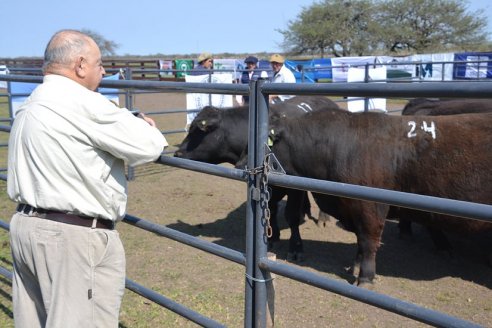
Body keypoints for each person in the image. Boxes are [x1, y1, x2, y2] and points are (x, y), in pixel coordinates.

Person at [7, 29, 167, 327]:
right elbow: (149, 145)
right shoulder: (84, 103)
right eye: (99, 63)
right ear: (80, 65)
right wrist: (143, 125)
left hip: (27, 227)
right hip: (72, 238)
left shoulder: (33, 101)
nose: (103, 71)